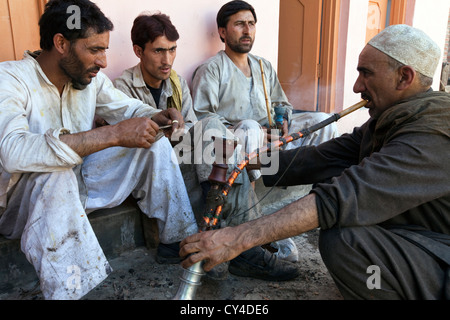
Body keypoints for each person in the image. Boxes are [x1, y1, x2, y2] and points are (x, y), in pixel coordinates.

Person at [181, 24, 450, 300]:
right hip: (420, 235)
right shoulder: (392, 118)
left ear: (404, 77)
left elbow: (341, 198)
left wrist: (236, 239)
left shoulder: (434, 134)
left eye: (366, 74)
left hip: (441, 248)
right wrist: (253, 161)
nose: (357, 86)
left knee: (343, 241)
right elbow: (325, 157)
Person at [0, 0, 199, 300]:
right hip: (23, 206)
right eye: (95, 50)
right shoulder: (10, 79)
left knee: (152, 141)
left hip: (79, 186)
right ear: (61, 43)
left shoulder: (89, 81)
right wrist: (112, 134)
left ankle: (179, 240)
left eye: (104, 50)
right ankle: (69, 293)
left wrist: (155, 116)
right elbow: (13, 151)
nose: (104, 61)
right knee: (56, 175)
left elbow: (125, 107)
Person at [113, 12, 300, 281]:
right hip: (149, 168)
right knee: (214, 128)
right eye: (158, 51)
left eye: (172, 50)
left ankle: (231, 236)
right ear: (138, 51)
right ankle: (242, 245)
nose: (167, 60)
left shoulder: (176, 82)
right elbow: (132, 139)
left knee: (217, 136)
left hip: (180, 158)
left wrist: (190, 135)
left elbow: (190, 129)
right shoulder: (123, 86)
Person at [191, 0, 338, 184]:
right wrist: (256, 131)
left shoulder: (263, 66)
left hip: (271, 138)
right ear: (222, 32)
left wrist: (283, 120)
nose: (247, 31)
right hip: (238, 141)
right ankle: (250, 195)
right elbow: (203, 117)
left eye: (251, 24)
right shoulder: (211, 69)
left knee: (324, 122)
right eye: (239, 24)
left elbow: (281, 104)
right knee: (250, 128)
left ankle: (309, 187)